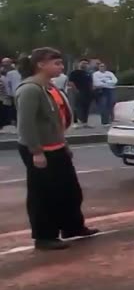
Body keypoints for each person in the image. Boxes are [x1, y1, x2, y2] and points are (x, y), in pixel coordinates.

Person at [13, 48, 99, 250]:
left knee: (70, 190)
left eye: (61, 63)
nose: (61, 67)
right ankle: (44, 236)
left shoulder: (50, 87)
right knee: (43, 195)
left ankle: (72, 227)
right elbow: (26, 125)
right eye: (56, 63)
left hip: (57, 146)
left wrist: (64, 144)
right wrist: (36, 151)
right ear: (40, 65)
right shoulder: (30, 90)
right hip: (40, 149)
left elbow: (56, 121)